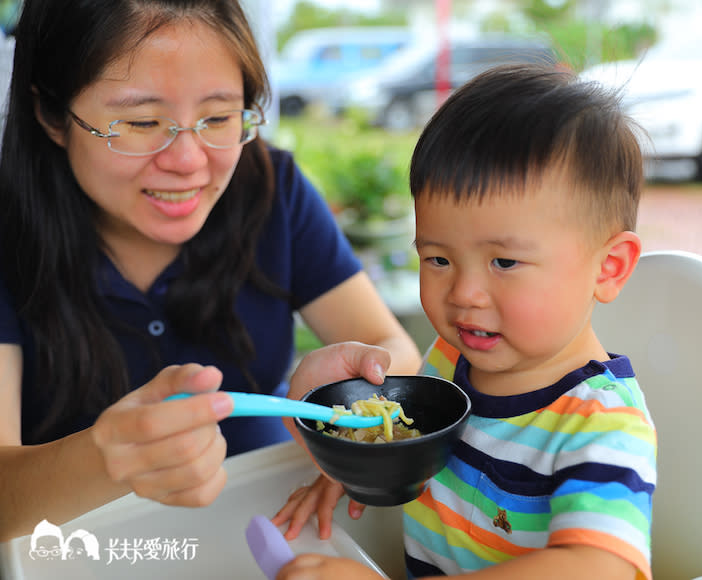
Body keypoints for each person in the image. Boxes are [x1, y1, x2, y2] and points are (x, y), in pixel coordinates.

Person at [0, 0, 421, 542]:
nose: (189, 161)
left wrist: (343, 400)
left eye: (219, 118)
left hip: (267, 524)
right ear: (53, 115)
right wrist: (106, 459)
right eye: (142, 122)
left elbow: (392, 348)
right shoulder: (9, 235)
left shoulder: (272, 190)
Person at [273, 63, 657, 580]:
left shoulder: (600, 425)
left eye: (504, 262)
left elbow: (596, 567)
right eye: (437, 259)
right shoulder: (451, 360)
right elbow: (409, 446)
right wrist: (354, 469)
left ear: (607, 268)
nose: (464, 294)